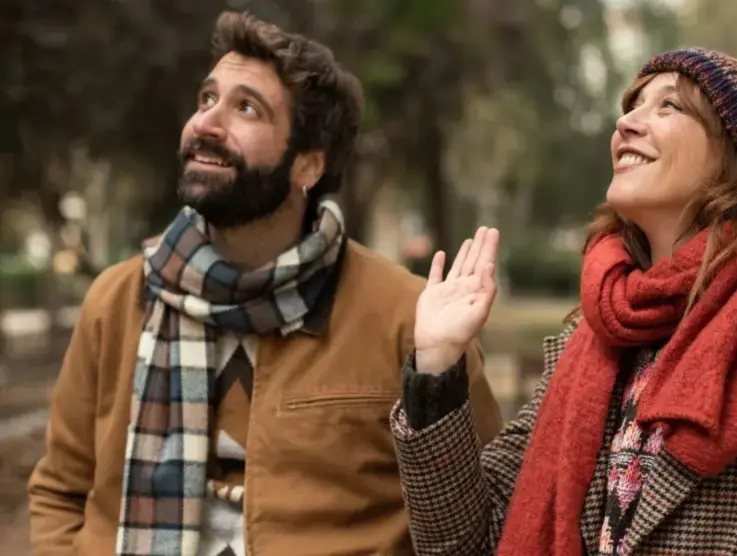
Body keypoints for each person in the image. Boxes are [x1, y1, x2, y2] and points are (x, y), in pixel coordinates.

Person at [391, 48, 737, 555]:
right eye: (632, 106)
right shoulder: (589, 346)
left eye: (669, 106)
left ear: (735, 156)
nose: (626, 122)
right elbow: (465, 543)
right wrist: (437, 364)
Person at [27, 11, 503, 556]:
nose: (206, 123)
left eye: (246, 108)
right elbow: (61, 490)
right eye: (207, 99)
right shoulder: (117, 301)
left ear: (308, 166)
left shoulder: (409, 319)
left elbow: (480, 511)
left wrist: (436, 368)